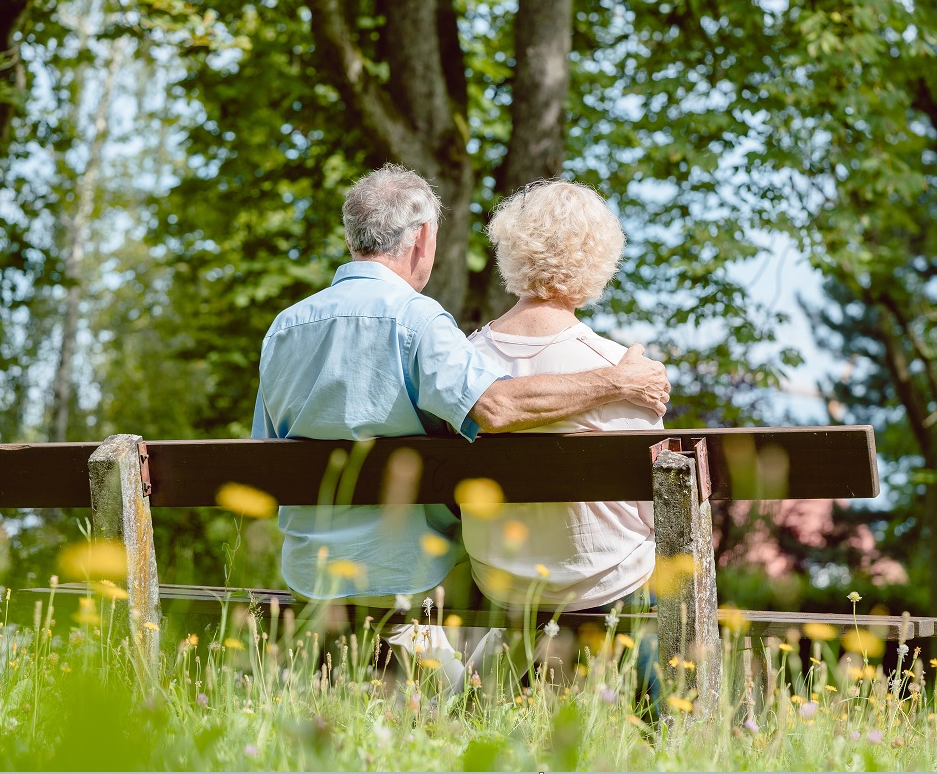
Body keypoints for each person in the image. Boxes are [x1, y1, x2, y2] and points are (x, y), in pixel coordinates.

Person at [250, 164, 670, 691]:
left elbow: (265, 454)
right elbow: (493, 407)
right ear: (423, 238)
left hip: (308, 573)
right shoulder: (417, 322)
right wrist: (618, 382)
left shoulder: (283, 328)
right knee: (461, 709)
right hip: (400, 581)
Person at [464, 179, 663, 715]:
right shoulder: (625, 371)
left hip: (502, 577)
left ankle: (475, 713)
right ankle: (664, 728)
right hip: (604, 579)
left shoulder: (461, 363)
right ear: (600, 261)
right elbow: (651, 514)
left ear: (510, 249)